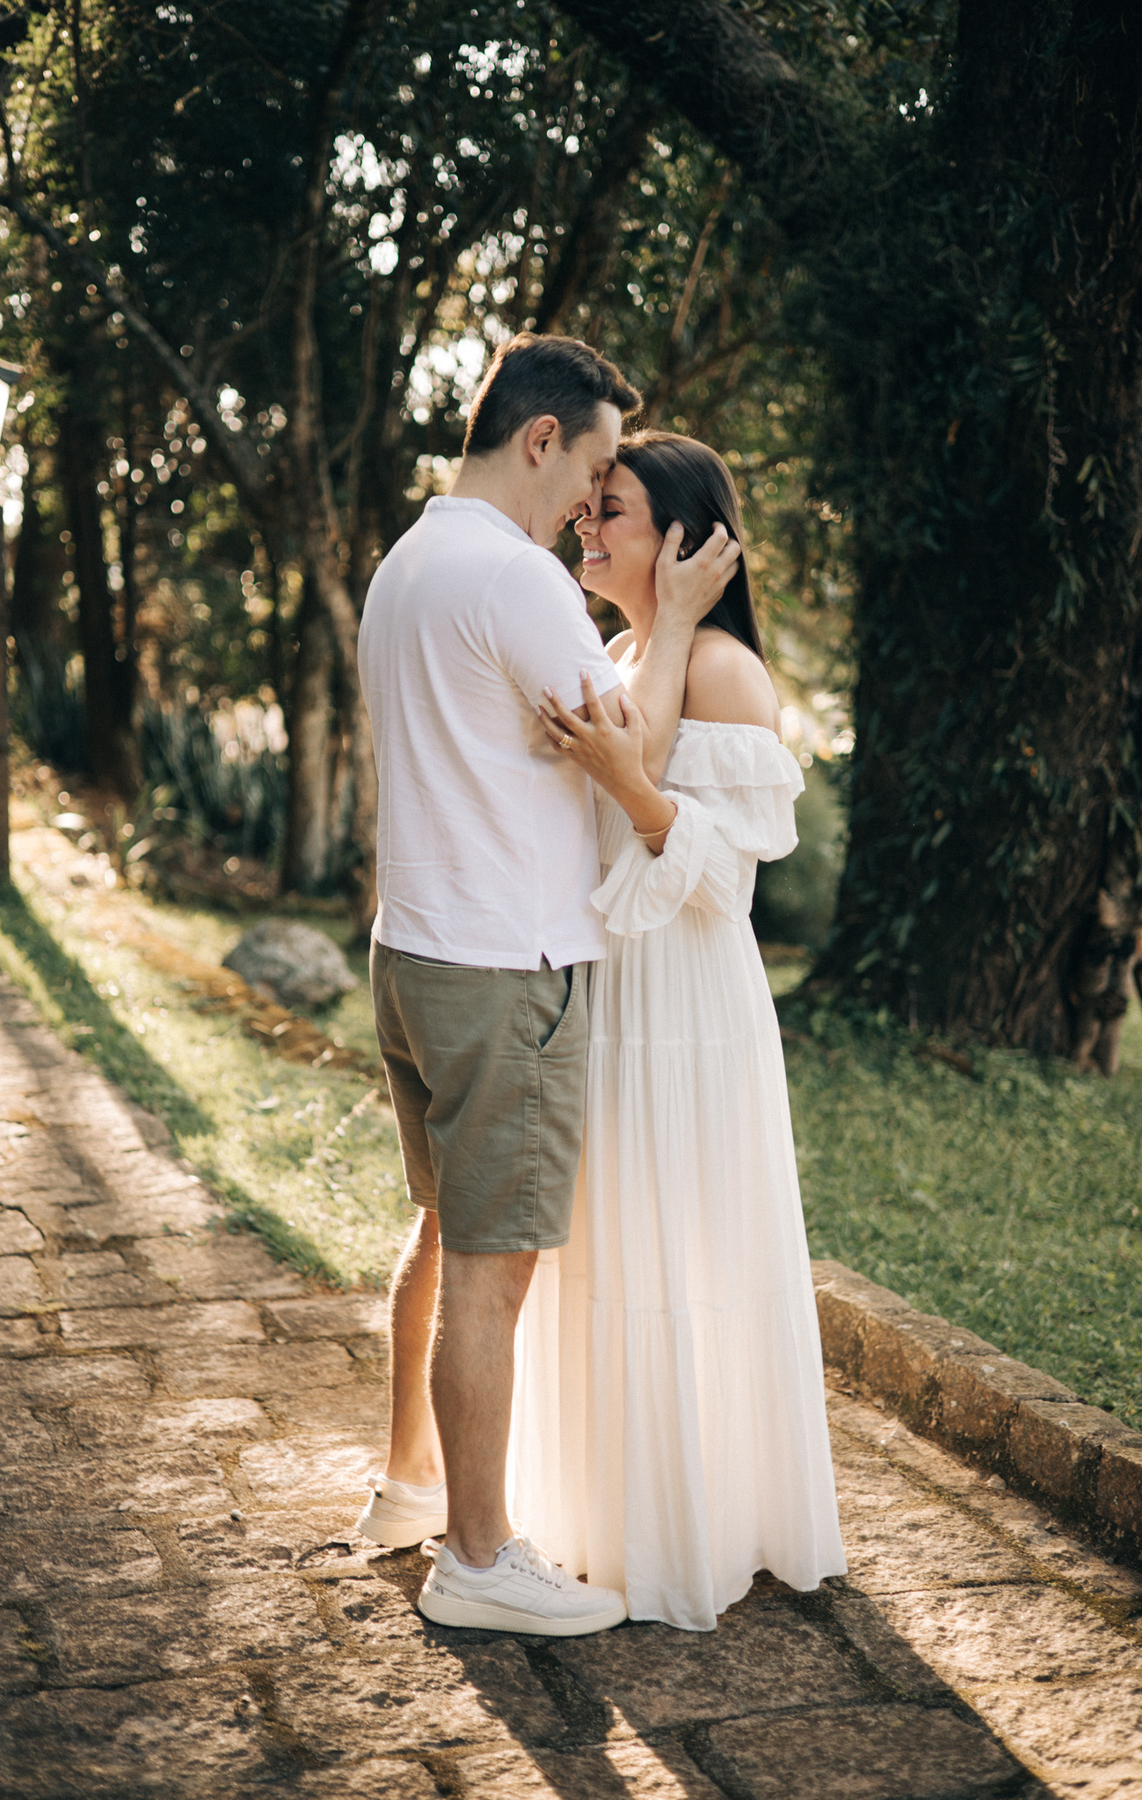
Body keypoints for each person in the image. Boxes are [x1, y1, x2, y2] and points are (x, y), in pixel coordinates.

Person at [355, 341, 740, 1635]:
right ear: (539, 440)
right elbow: (627, 750)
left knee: (440, 1229)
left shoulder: (406, 564)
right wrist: (676, 624)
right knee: (494, 1267)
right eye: (588, 462)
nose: (589, 497)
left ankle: (409, 1486)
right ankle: (479, 1558)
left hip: (411, 949)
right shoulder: (516, 580)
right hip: (503, 964)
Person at [508, 430, 848, 1631]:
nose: (587, 529)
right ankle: (615, 1518)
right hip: (608, 997)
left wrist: (628, 782)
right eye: (589, 508)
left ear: (689, 541)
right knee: (609, 1251)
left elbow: (726, 881)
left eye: (615, 513)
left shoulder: (722, 672)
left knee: (689, 1257)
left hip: (692, 1005)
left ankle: (704, 1531)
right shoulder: (620, 651)